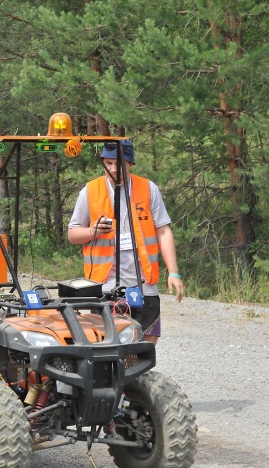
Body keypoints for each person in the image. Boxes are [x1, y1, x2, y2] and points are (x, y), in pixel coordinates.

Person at [67, 139, 183, 344]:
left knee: (146, 344)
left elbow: (163, 231)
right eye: (108, 163)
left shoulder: (148, 188)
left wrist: (173, 272)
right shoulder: (90, 191)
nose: (112, 169)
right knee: (106, 346)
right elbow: (72, 234)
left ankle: (137, 378)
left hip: (144, 284)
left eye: (118, 164)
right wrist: (92, 231)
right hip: (103, 286)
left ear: (130, 164)